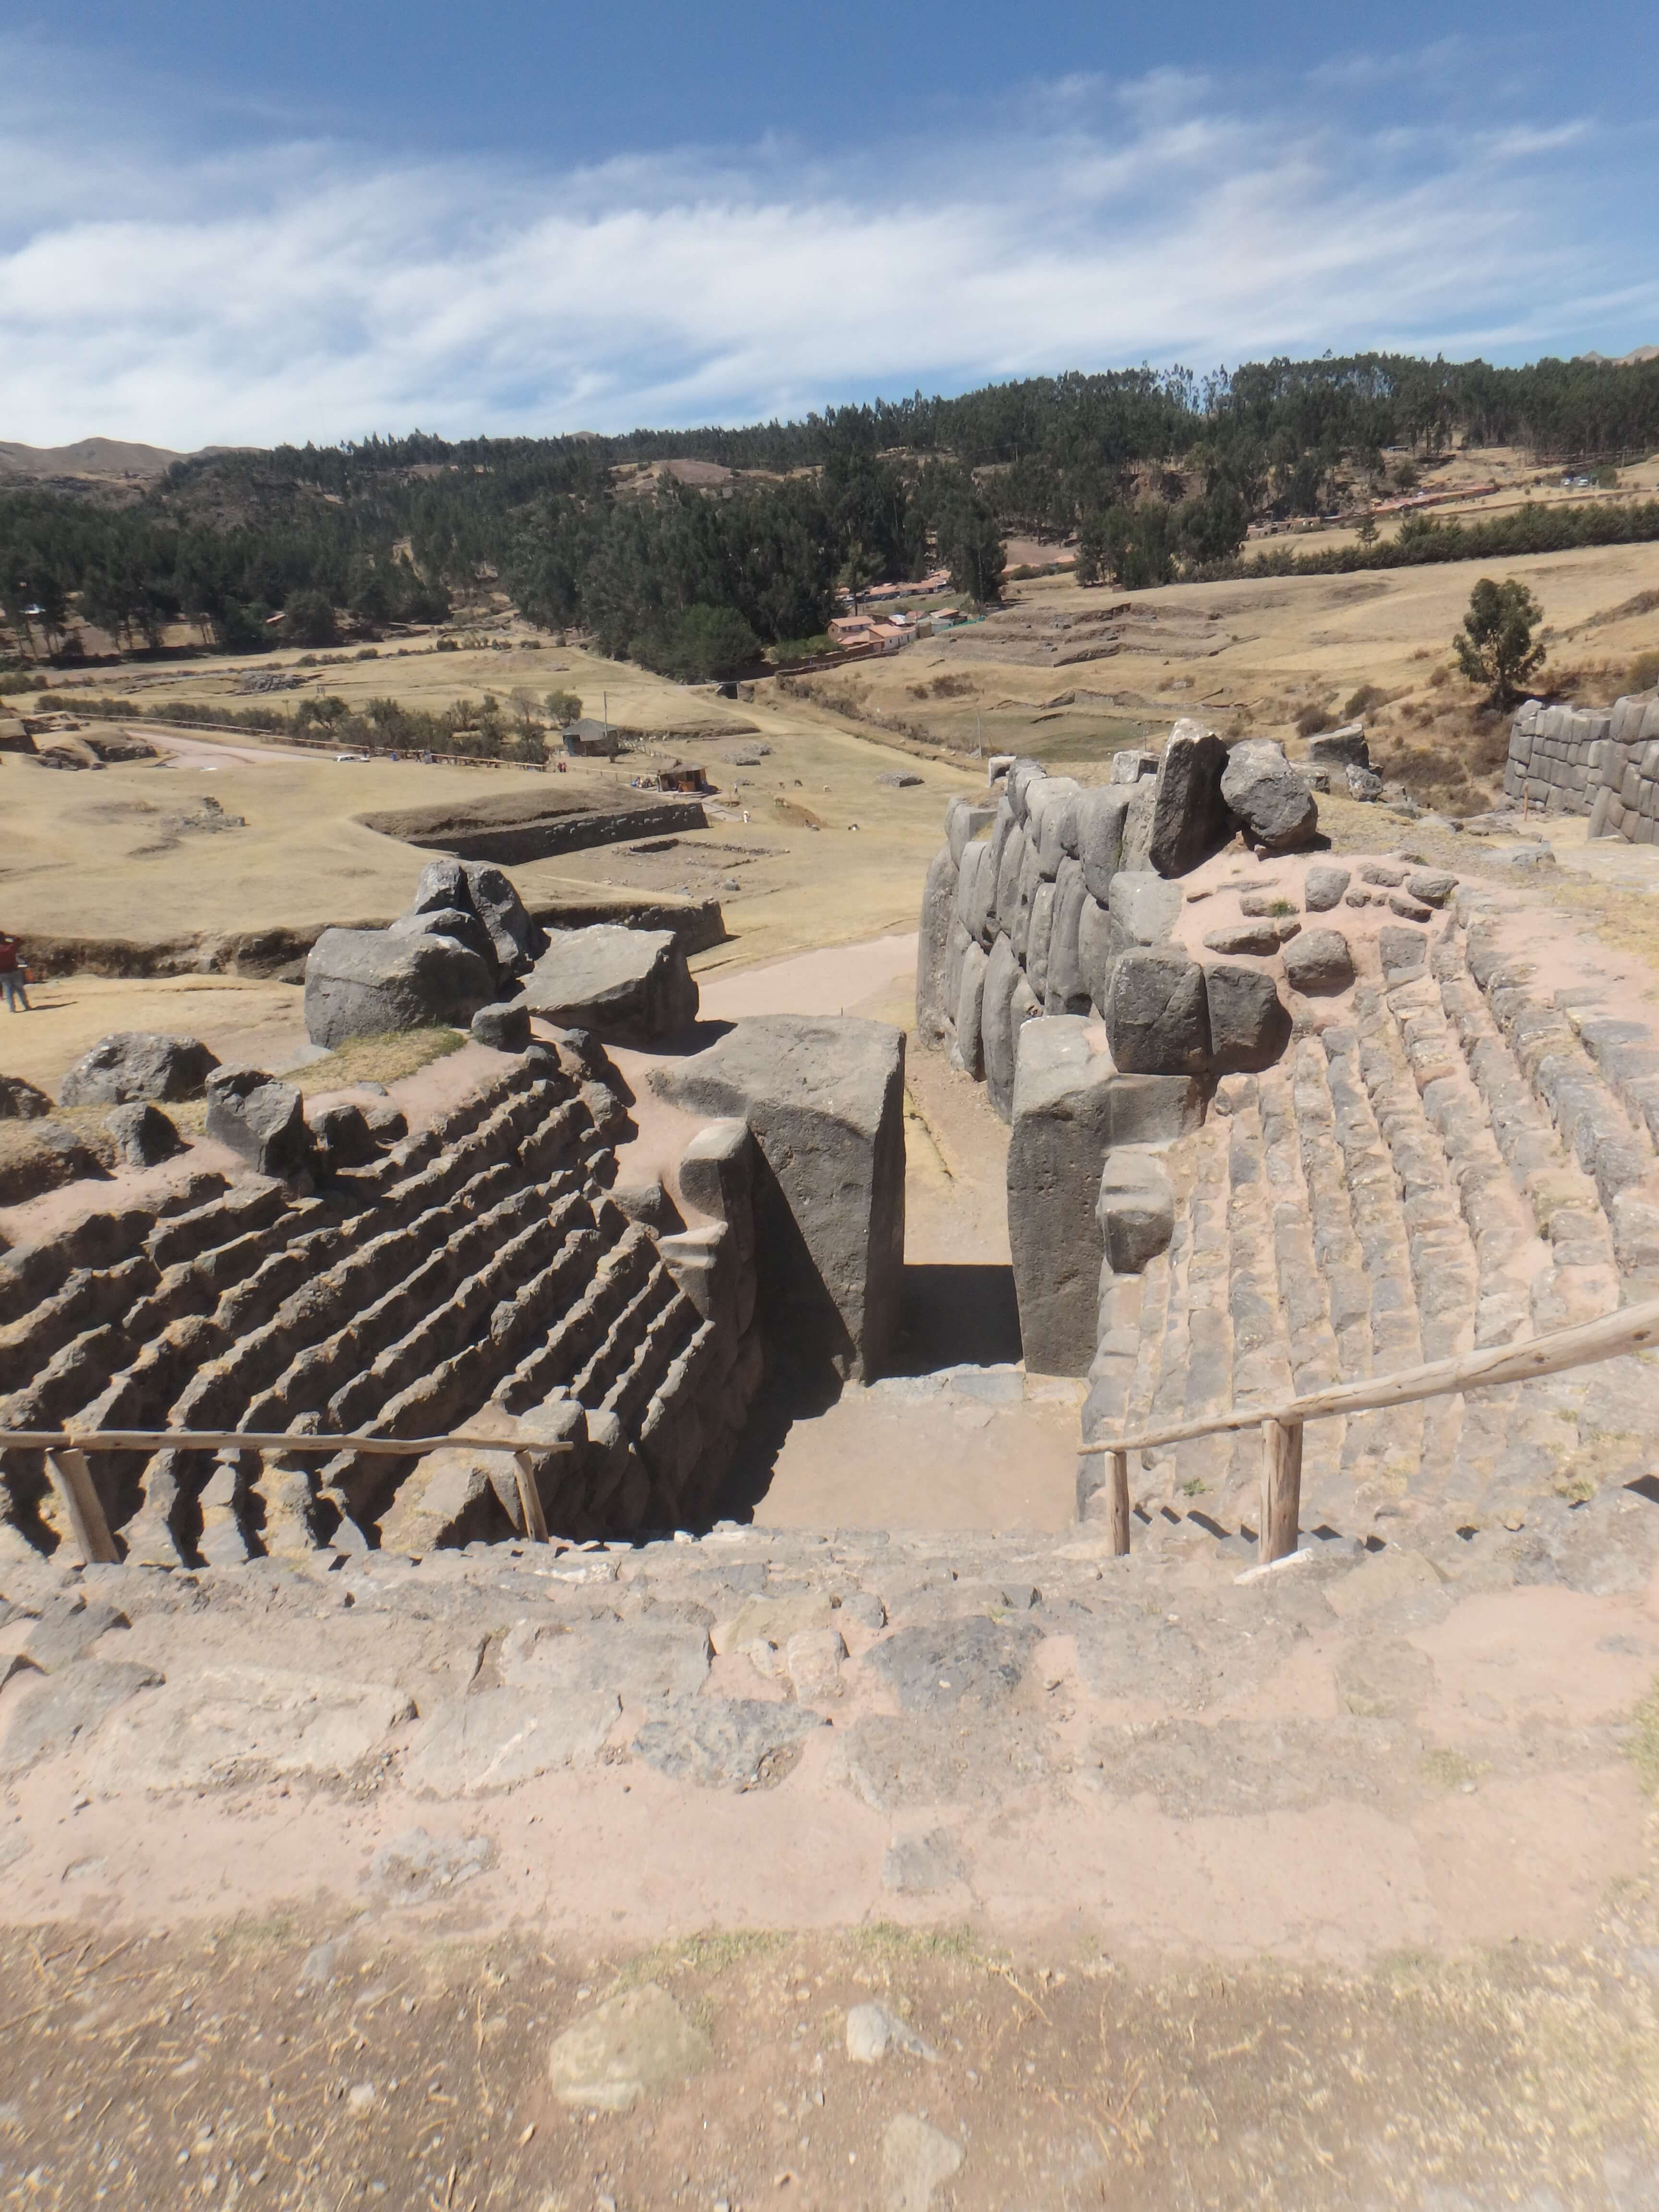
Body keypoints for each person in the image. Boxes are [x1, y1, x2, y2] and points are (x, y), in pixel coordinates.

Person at [0, 934, 30, 1013]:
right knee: (20, 990)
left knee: (8, 991)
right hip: (15, 971)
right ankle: (27, 1006)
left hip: (3, 973)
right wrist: (10, 936)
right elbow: (20, 941)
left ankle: (12, 1009)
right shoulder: (11, 947)